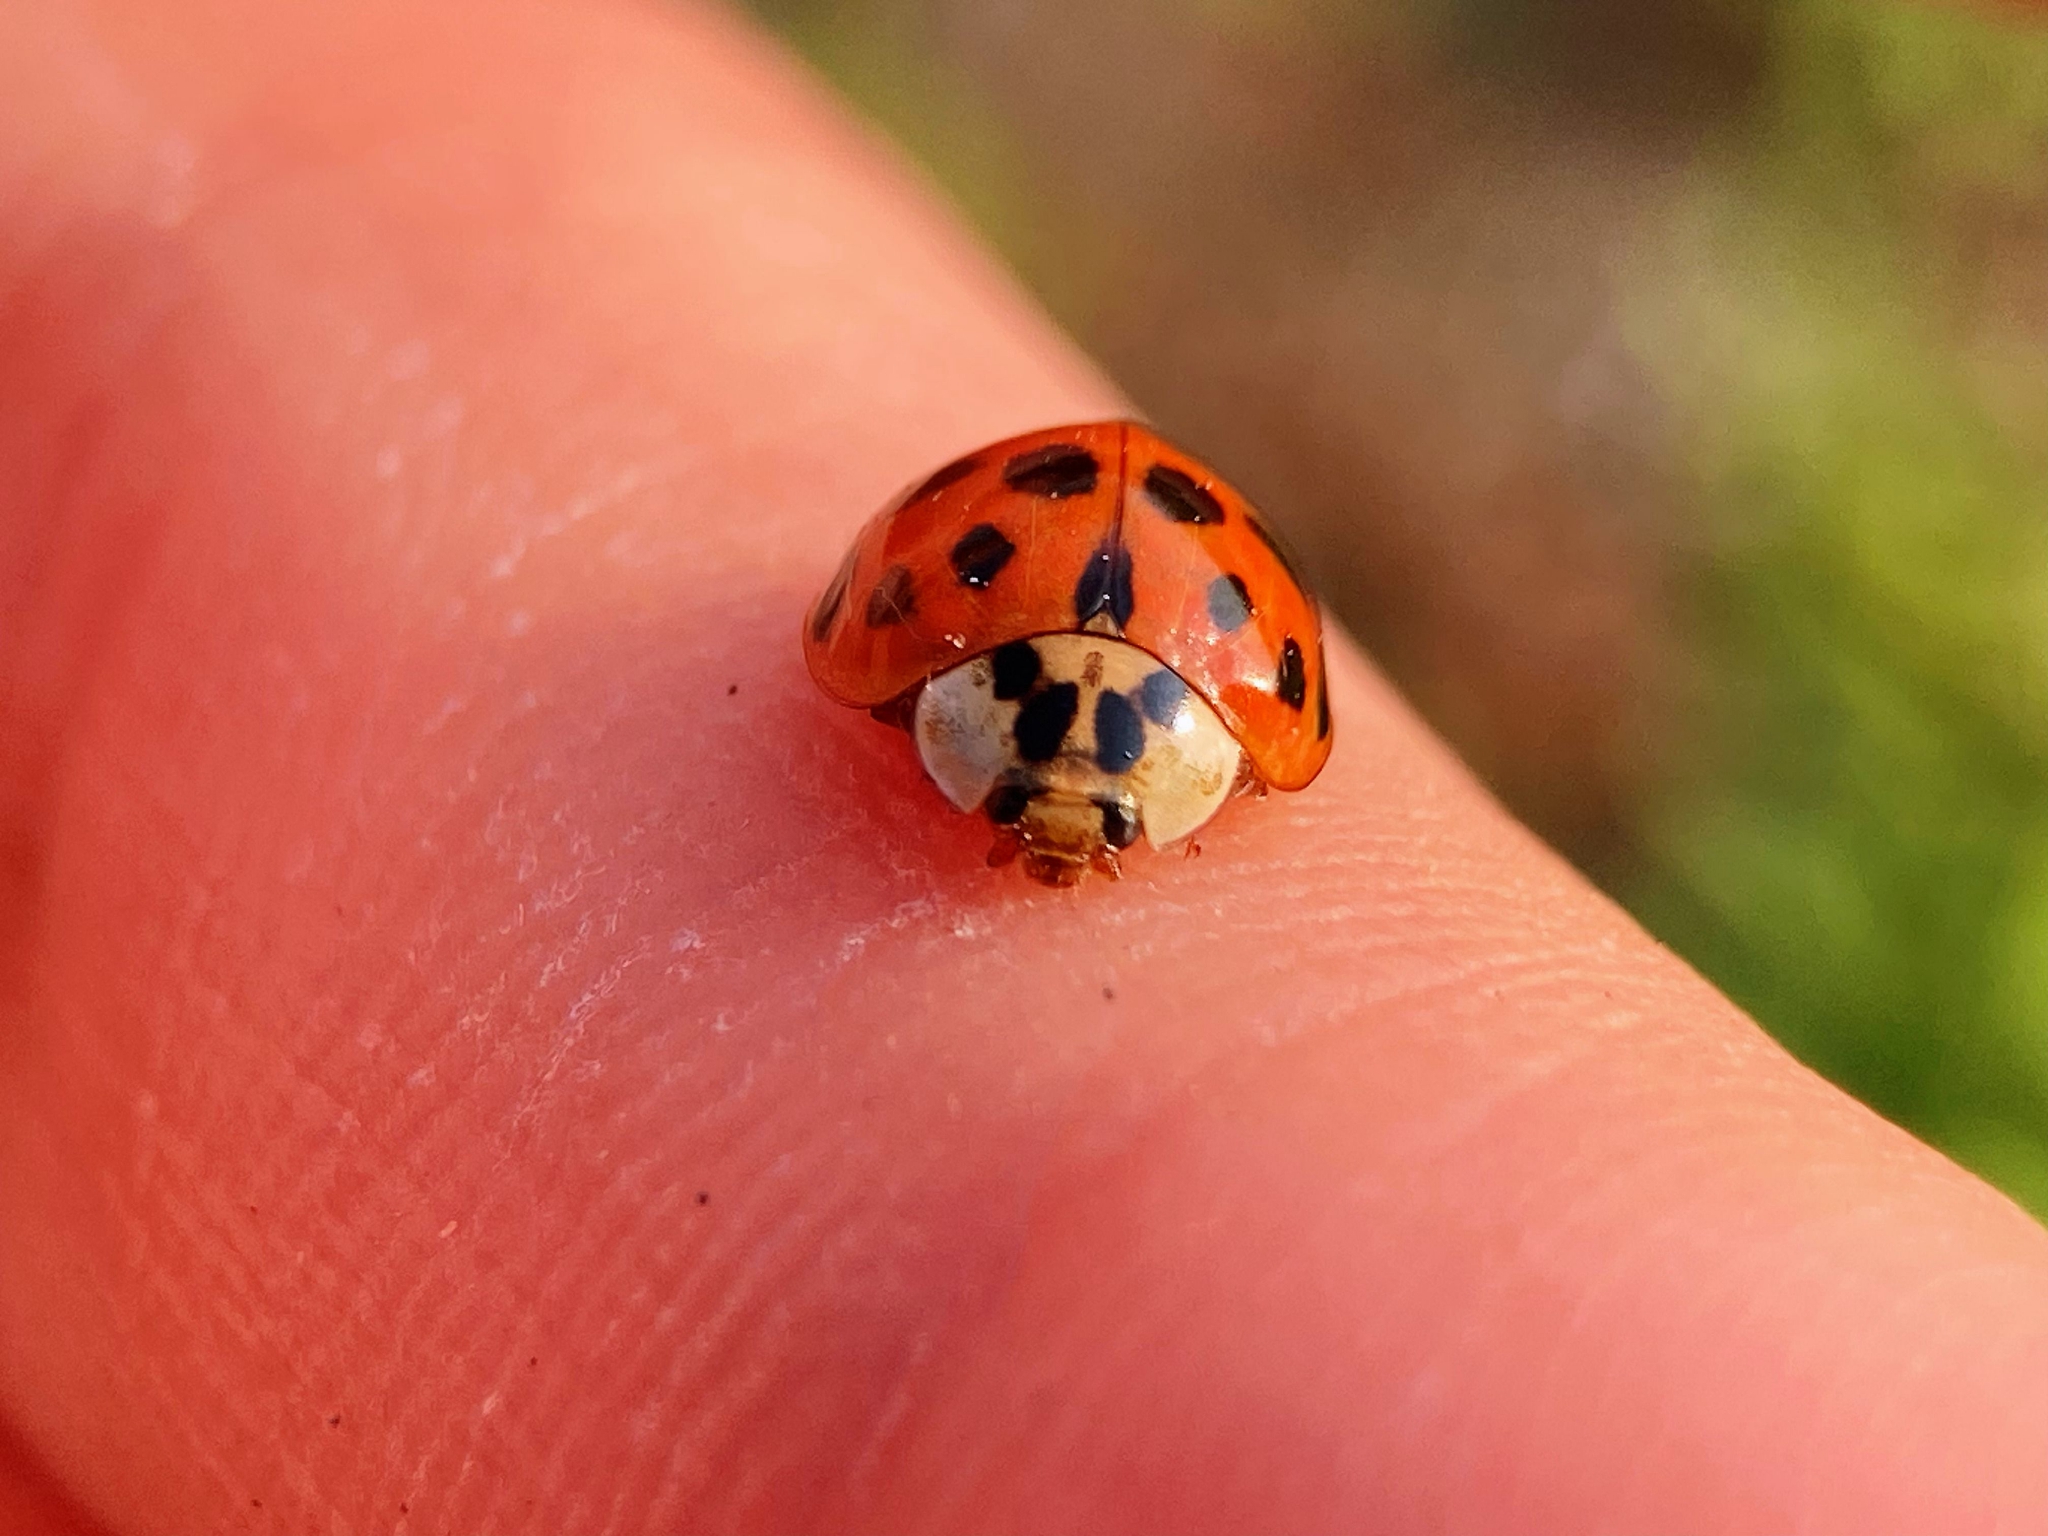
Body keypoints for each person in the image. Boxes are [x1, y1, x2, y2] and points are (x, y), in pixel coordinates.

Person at [3, 0, 2046, 1530]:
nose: (1047, 828)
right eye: (1046, 791)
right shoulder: (1070, 688)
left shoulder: (1104, 695)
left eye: (1065, 797)